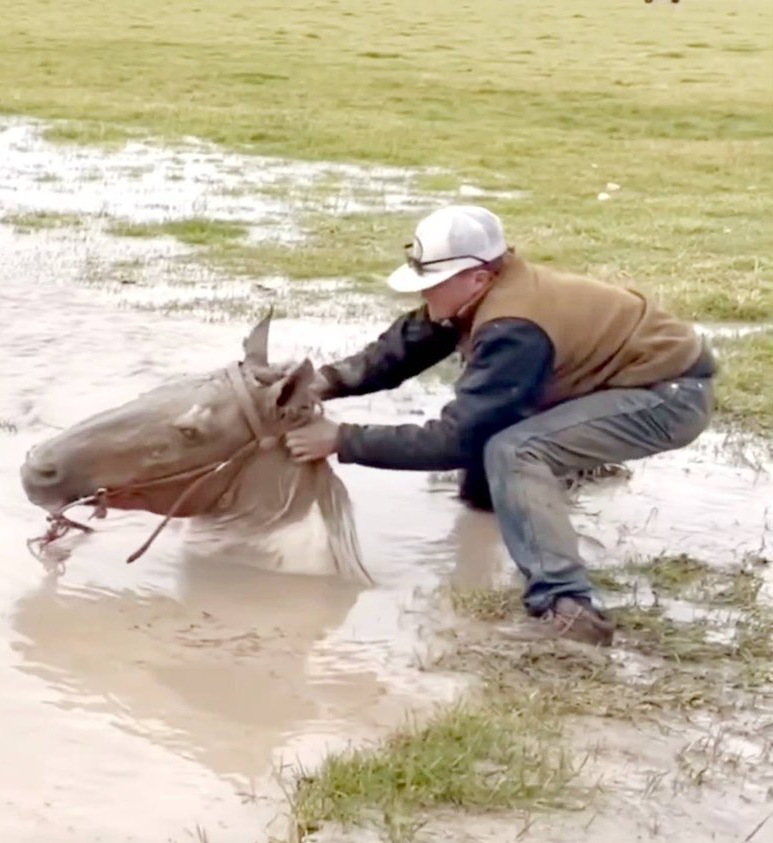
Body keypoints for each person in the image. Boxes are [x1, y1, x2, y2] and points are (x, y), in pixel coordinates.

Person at [282, 204, 717, 646]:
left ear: (477, 277)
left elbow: (458, 439)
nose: (425, 296)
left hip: (668, 396)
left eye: (432, 285)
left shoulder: (514, 327)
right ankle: (519, 498)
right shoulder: (479, 293)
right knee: (487, 472)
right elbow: (409, 343)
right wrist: (325, 383)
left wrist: (342, 439)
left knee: (515, 451)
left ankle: (568, 605)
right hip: (616, 381)